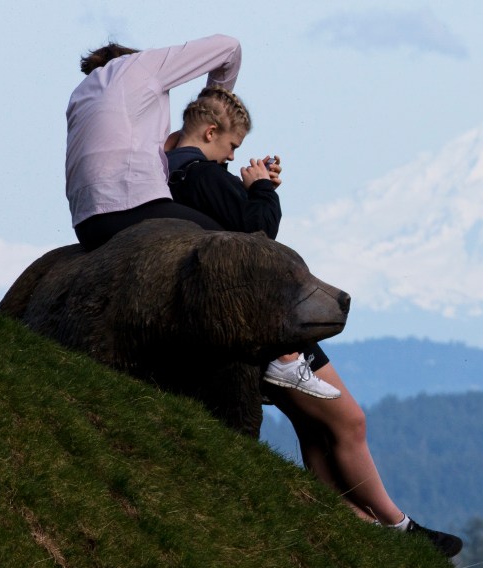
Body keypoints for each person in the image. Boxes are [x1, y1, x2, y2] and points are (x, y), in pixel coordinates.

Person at [165, 86, 463, 558]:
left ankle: (356, 522)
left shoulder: (174, 170)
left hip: (227, 320)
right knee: (349, 421)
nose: (233, 155)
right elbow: (259, 233)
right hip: (262, 321)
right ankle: (398, 524)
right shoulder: (203, 175)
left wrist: (243, 185)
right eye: (232, 146)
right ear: (211, 131)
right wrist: (261, 188)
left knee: (315, 429)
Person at [64, 36, 327, 400]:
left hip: (87, 221)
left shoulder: (83, 95)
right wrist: (213, 104)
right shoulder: (140, 66)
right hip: (132, 204)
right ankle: (281, 356)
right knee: (238, 249)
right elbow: (230, 48)